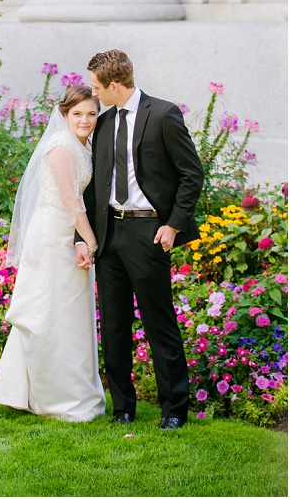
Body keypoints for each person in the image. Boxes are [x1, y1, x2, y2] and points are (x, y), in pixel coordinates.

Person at [84, 49, 202, 431]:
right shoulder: (102, 123)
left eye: (96, 87)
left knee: (158, 322)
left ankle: (174, 408)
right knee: (114, 325)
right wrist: (83, 238)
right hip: (108, 234)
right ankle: (123, 407)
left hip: (148, 232)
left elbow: (191, 174)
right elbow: (91, 187)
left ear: (114, 85)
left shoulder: (164, 115)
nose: (94, 94)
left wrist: (173, 225)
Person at [0, 84, 107, 422]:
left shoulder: (83, 145)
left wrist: (82, 240)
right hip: (53, 235)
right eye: (78, 114)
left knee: (68, 315)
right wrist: (91, 241)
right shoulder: (59, 147)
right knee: (48, 314)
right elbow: (71, 200)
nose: (85, 120)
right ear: (64, 114)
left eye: (91, 114)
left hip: (68, 234)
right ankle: (52, 397)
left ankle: (30, 391)